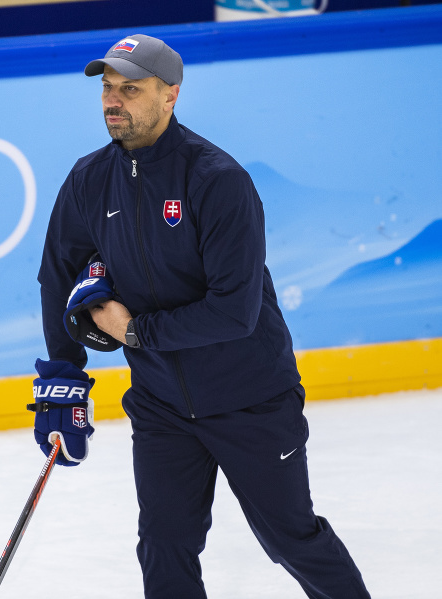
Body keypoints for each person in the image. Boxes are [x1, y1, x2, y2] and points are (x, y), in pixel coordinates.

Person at [29, 34, 372, 598]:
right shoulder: (89, 180)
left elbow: (234, 312)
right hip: (162, 405)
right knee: (164, 547)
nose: (114, 101)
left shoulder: (217, 180)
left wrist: (135, 331)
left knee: (291, 539)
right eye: (108, 89)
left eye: (131, 89)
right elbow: (56, 275)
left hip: (251, 399)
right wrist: (63, 378)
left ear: (171, 96)